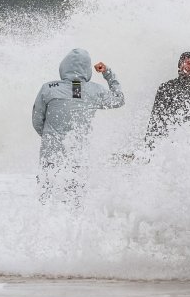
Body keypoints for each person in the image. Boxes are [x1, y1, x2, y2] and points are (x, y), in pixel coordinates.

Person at [32, 48, 124, 203]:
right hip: (78, 155)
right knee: (75, 199)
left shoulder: (48, 88)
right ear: (87, 69)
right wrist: (108, 73)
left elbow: (37, 120)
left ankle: (45, 225)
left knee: (46, 196)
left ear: (63, 66)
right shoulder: (94, 90)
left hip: (51, 153)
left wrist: (49, 136)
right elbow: (119, 99)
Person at [146, 51, 190, 145]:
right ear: (179, 66)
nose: (185, 66)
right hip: (171, 142)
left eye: (189, 63)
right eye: (182, 63)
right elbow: (156, 118)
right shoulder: (166, 87)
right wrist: (149, 144)